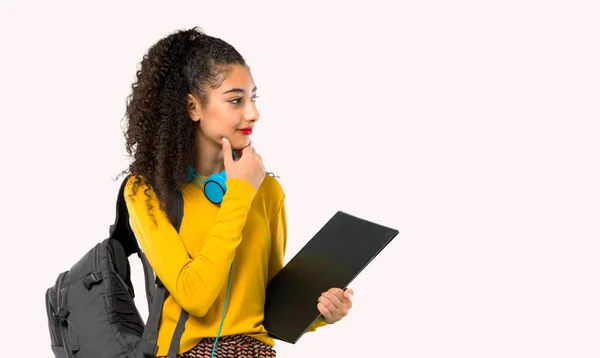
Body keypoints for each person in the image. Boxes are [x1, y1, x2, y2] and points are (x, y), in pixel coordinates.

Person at [121, 27, 354, 358]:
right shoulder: (147, 191)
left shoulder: (267, 190)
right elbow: (195, 295)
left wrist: (320, 312)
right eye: (235, 100)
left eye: (253, 98)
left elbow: (268, 304)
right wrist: (239, 195)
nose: (253, 113)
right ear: (192, 107)